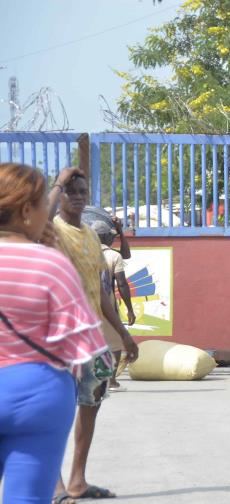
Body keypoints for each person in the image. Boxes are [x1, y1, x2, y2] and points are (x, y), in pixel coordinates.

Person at [0, 163, 109, 504]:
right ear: (27, 210)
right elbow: (83, 344)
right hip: (39, 392)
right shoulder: (51, 263)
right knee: (27, 497)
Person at [50, 168, 140, 503]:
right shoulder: (51, 232)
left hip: (91, 337)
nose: (77, 196)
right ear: (58, 195)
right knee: (56, 411)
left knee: (92, 403)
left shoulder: (89, 234)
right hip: (58, 337)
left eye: (82, 191)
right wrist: (60, 180)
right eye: (70, 191)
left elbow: (101, 290)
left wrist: (123, 334)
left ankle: (77, 481)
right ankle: (55, 485)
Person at [91, 218, 137, 392]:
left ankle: (94, 378)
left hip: (87, 305)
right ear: (104, 237)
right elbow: (122, 284)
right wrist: (130, 309)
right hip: (107, 306)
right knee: (114, 342)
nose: (113, 239)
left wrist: (119, 232)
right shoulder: (113, 256)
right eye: (111, 236)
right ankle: (110, 380)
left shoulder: (84, 253)